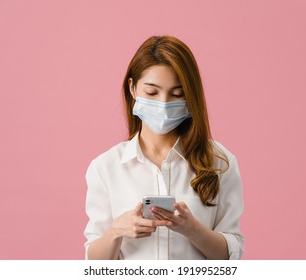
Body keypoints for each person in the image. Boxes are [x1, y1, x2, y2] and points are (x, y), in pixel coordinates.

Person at [84, 35, 244, 260]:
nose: (164, 105)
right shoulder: (105, 167)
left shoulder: (220, 162)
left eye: (177, 94)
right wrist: (115, 231)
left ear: (191, 95)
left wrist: (192, 229)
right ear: (132, 88)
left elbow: (231, 256)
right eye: (152, 93)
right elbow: (94, 263)